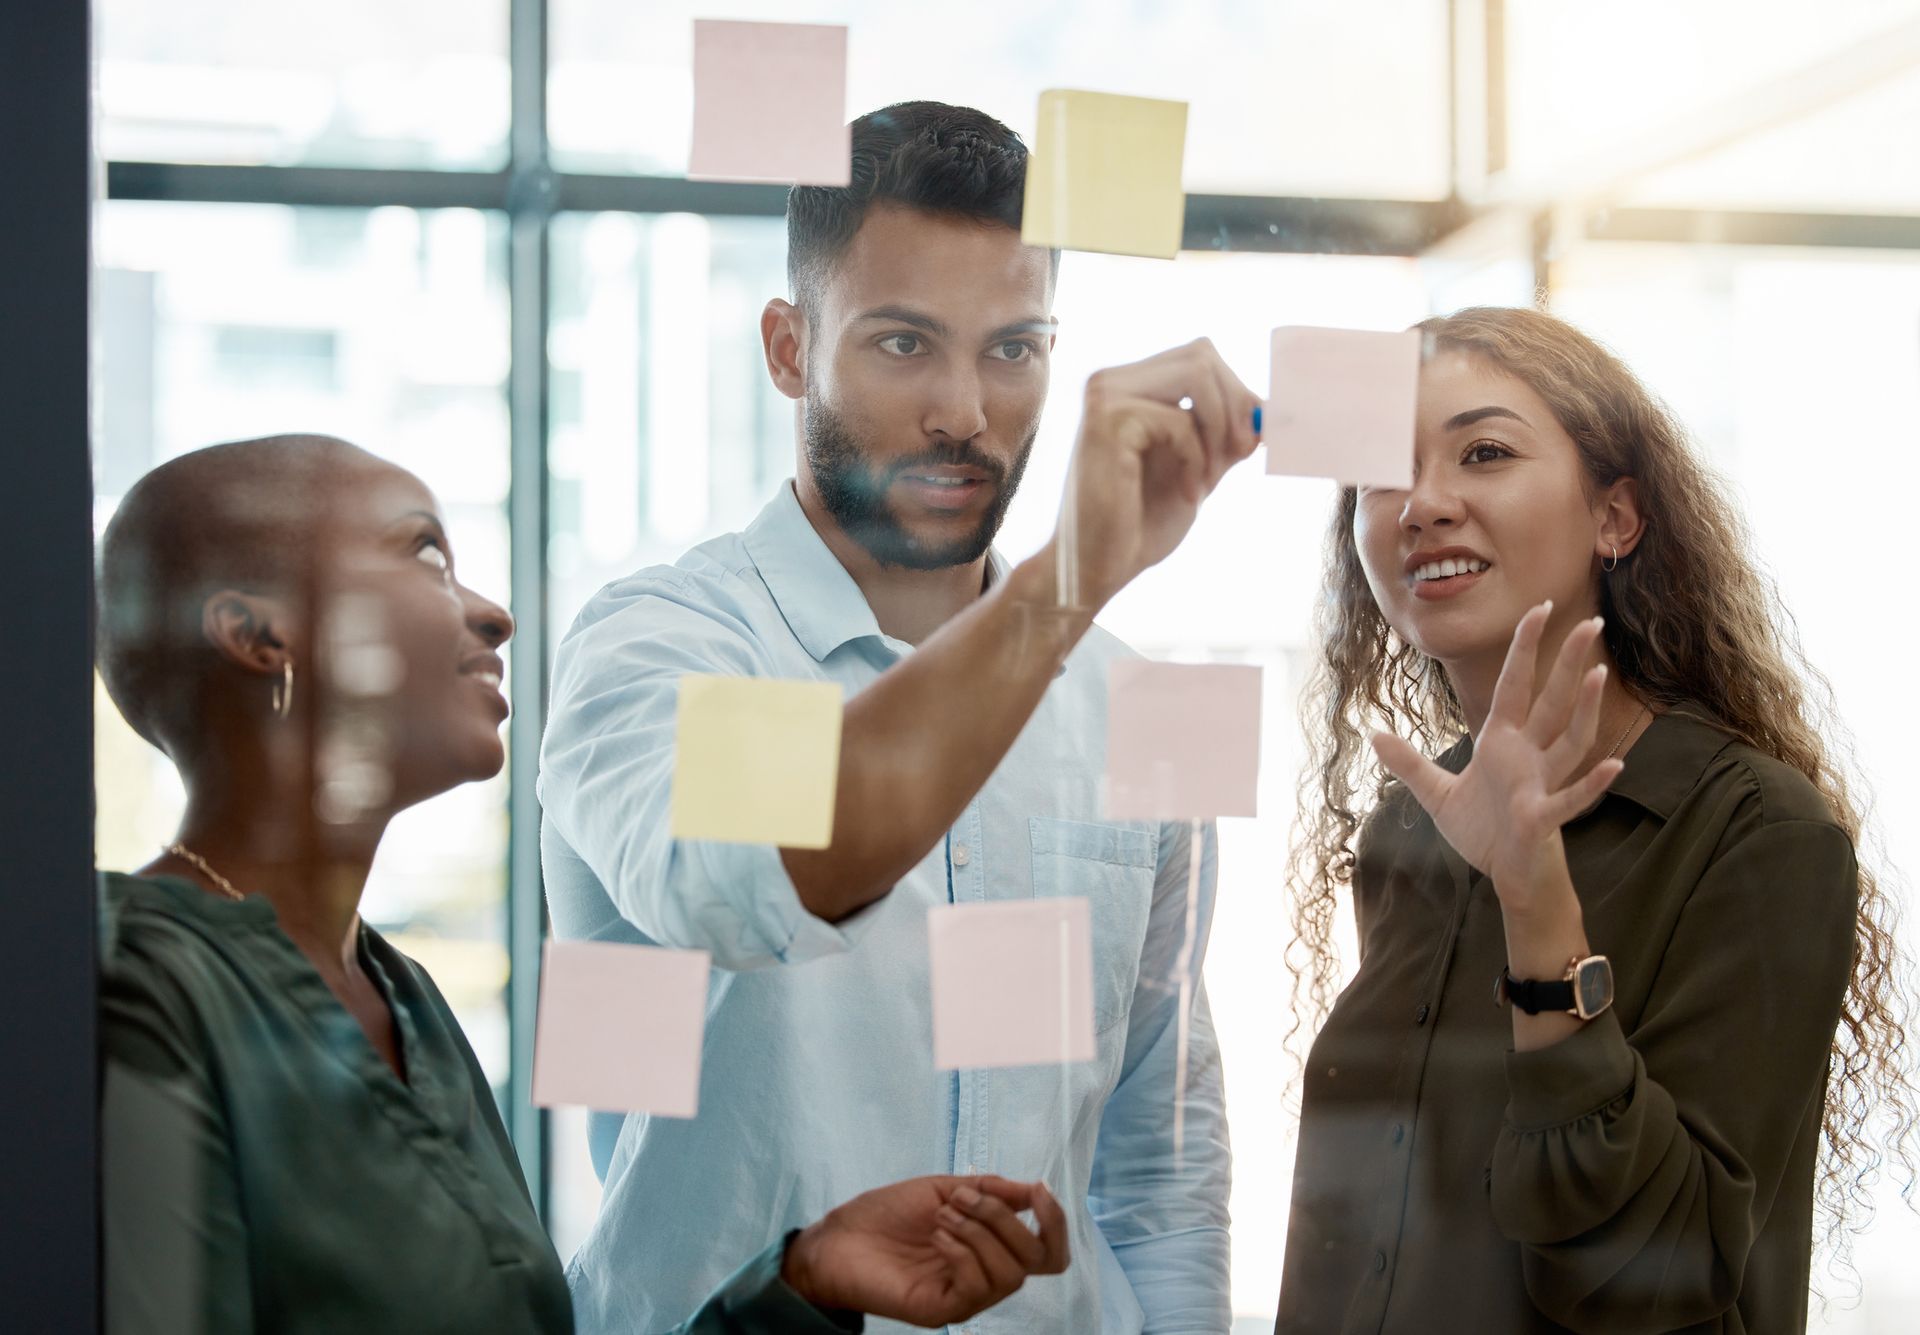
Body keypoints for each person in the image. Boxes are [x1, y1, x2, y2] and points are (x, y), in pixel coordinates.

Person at [540, 102, 1259, 1333]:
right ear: (787, 347)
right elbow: (747, 879)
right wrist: (1068, 584)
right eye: (902, 344)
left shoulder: (1138, 702)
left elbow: (1159, 1156)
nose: (965, 412)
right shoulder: (671, 648)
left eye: (1014, 350)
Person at [95, 433, 1071, 1334]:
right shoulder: (136, 988)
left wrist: (803, 1284)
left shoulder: (404, 998)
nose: (493, 611)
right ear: (260, 634)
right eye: (425, 557)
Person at [1275, 306, 1917, 1333]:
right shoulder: (1410, 827)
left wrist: (1538, 904)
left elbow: (1647, 1278)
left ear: (1615, 517)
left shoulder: (1757, 834)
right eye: (1382, 475)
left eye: (1484, 452)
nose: (1424, 503)